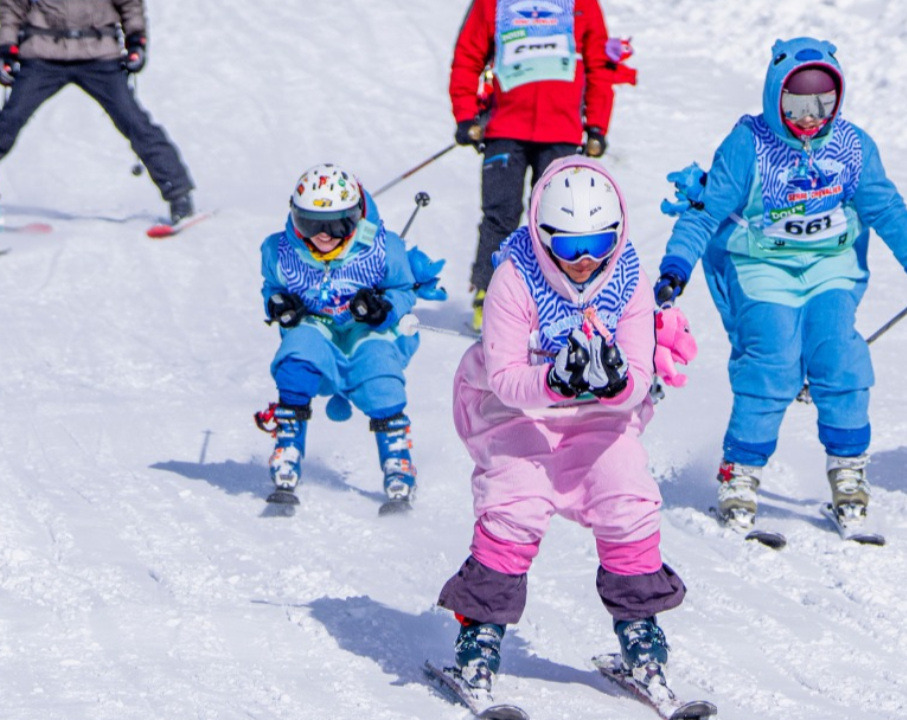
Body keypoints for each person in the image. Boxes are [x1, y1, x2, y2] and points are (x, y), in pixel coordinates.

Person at [653, 37, 907, 535]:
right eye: (797, 103)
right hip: (761, 264)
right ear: (775, 95)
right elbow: (704, 212)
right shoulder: (748, 145)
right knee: (771, 356)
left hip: (831, 264)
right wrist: (675, 267)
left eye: (823, 103)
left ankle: (849, 470)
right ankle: (740, 473)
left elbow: (885, 207)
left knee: (839, 354)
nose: (811, 117)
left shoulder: (853, 146)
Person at [436, 157, 688, 701]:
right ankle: (478, 636)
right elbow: (503, 378)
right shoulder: (514, 276)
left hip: (596, 416)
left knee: (628, 494)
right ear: (542, 237)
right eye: (571, 248)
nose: (586, 261)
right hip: (513, 411)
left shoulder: (628, 278)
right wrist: (554, 379)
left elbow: (640, 378)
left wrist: (617, 383)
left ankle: (640, 633)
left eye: (600, 243)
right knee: (517, 500)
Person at [449, 0, 624, 332]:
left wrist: (597, 126)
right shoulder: (494, 3)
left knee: (556, 218)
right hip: (504, 129)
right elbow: (468, 56)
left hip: (562, 131)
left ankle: (553, 299)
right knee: (501, 213)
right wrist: (465, 114)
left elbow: (600, 63)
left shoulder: (580, 4)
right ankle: (490, 294)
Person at [258, 164, 422, 515]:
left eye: (337, 224)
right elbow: (272, 289)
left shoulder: (381, 248)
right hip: (316, 324)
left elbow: (404, 289)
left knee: (380, 374)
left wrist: (384, 307)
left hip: (365, 328)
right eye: (311, 223)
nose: (324, 236)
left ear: (357, 216)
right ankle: (288, 447)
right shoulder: (280, 251)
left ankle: (397, 458)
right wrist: (279, 305)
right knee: (295, 361)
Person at [0, 0, 195, 224]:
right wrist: (6, 49)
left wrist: (136, 41)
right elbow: (13, 8)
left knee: (133, 120)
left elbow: (130, 5)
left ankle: (179, 194)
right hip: (42, 53)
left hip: (98, 53)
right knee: (10, 119)